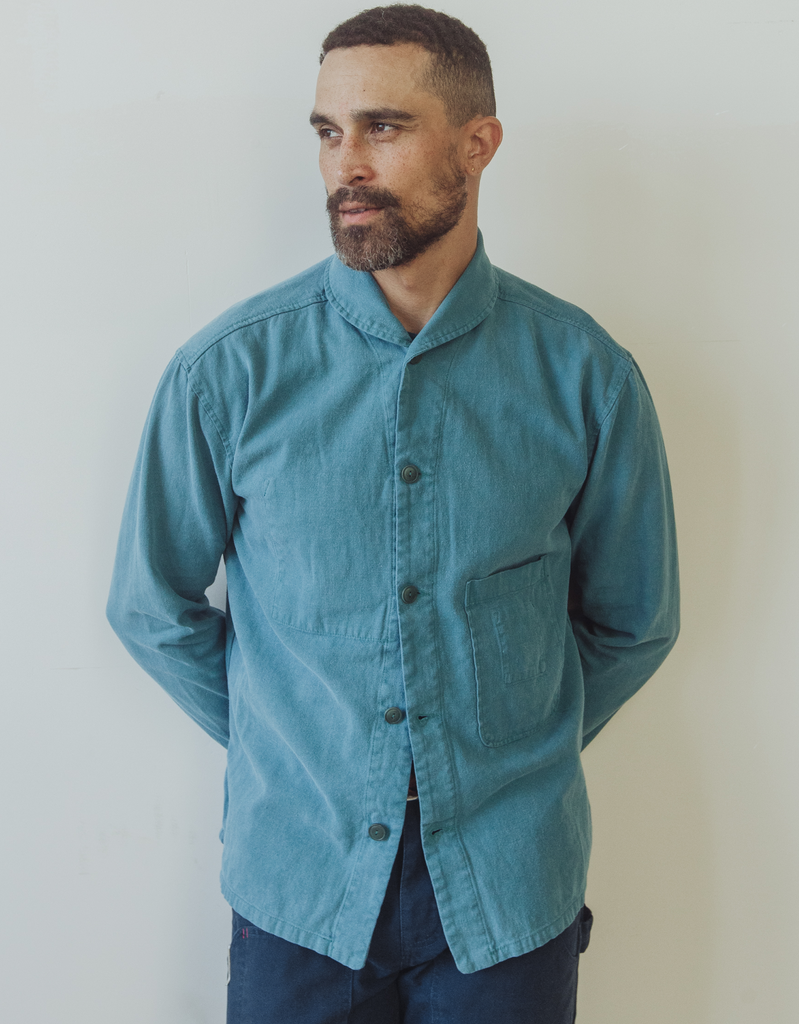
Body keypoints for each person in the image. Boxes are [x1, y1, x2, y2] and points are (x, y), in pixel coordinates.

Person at [107, 5, 680, 1022]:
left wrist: (511, 744)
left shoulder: (585, 376)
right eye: (328, 132)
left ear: (478, 143)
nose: (347, 165)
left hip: (507, 885)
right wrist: (293, 745)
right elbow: (152, 606)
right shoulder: (228, 374)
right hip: (300, 883)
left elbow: (633, 621)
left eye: (383, 127)